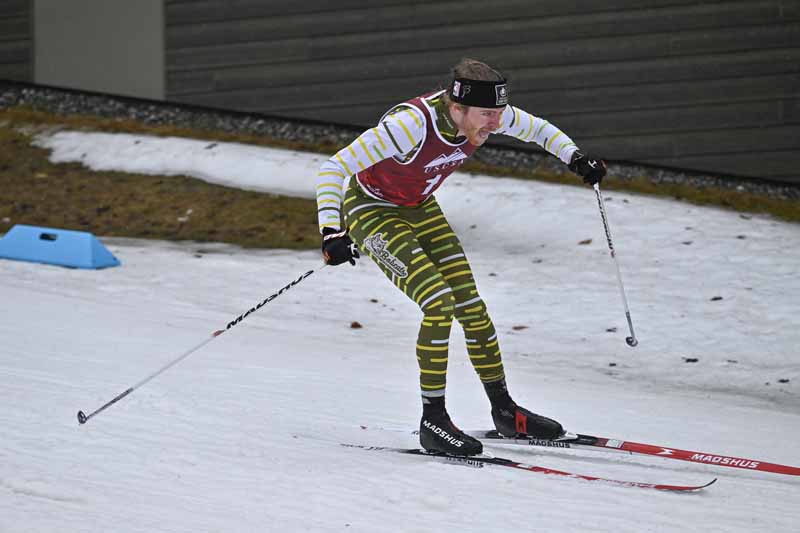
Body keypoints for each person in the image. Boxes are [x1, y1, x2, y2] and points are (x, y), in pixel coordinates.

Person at [315, 58, 606, 456]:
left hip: (419, 207)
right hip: (372, 211)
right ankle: (433, 421)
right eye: (487, 115)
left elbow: (537, 129)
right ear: (457, 108)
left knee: (472, 306)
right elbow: (333, 169)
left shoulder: (485, 114)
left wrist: (575, 158)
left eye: (499, 114)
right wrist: (332, 230)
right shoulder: (409, 127)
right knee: (438, 303)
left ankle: (505, 411)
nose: (495, 123)